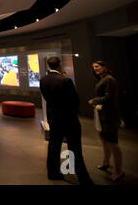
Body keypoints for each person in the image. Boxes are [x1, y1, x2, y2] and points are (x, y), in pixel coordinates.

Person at [39, 57, 93, 185]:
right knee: (74, 147)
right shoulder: (66, 80)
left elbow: (47, 98)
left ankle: (53, 173)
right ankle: (82, 178)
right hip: (69, 119)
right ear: (59, 65)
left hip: (53, 118)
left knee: (53, 146)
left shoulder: (43, 80)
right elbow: (75, 101)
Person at [89, 61, 124, 182]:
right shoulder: (103, 79)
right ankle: (106, 162)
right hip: (102, 115)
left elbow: (109, 98)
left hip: (109, 116)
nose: (95, 69)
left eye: (97, 67)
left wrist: (94, 100)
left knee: (113, 143)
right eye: (94, 67)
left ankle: (118, 171)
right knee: (104, 140)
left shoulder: (109, 80)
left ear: (105, 67)